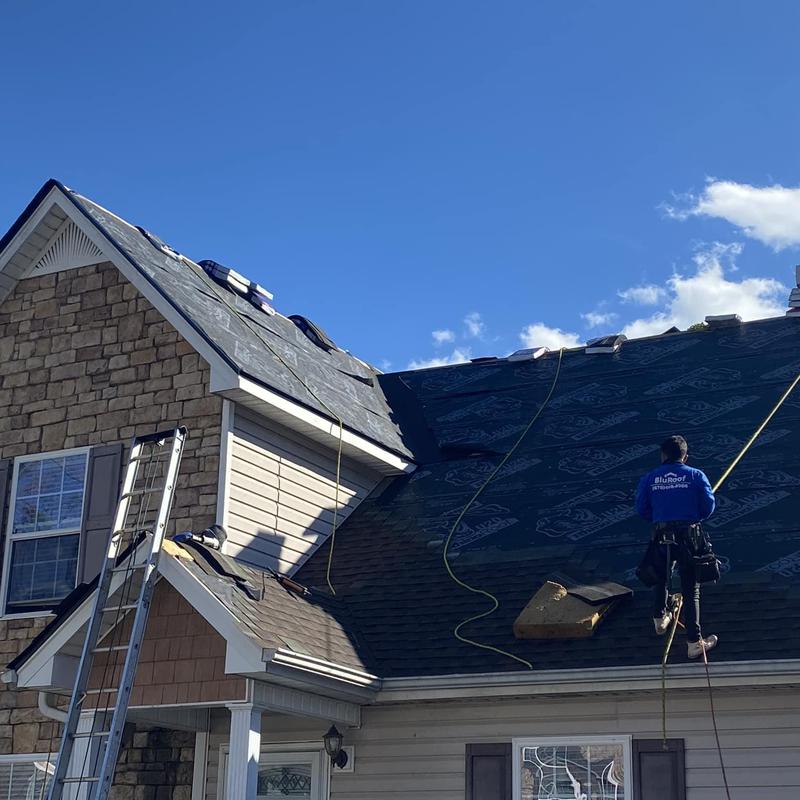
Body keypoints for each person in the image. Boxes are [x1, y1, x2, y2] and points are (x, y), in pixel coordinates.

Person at [635, 435, 717, 658]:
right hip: (689, 536)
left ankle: (659, 617)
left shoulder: (650, 478)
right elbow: (708, 507)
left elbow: (642, 509)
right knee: (691, 587)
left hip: (662, 532)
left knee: (661, 574)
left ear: (662, 455)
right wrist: (691, 516)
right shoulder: (695, 475)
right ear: (685, 456)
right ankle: (694, 642)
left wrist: (661, 516)